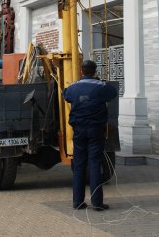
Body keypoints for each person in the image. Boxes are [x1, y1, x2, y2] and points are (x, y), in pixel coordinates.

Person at [62, 59, 118, 211]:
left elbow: (65, 95)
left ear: (81, 71)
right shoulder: (101, 86)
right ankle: (97, 203)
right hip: (95, 130)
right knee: (94, 164)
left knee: (79, 166)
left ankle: (77, 202)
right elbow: (113, 93)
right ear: (95, 72)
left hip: (78, 131)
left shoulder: (73, 87)